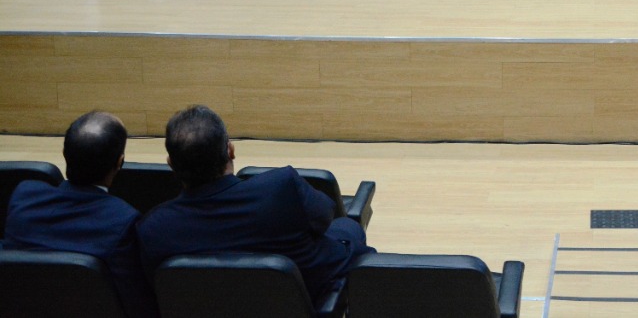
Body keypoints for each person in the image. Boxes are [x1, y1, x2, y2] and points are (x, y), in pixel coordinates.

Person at [137, 106, 374, 309]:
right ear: (230, 150)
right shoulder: (281, 187)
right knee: (347, 228)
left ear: (171, 164)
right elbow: (325, 217)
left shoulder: (152, 229)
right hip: (303, 301)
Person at [3, 111, 158, 318]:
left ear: (64, 153)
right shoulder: (124, 222)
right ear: (120, 162)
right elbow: (137, 302)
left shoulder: (24, 196)